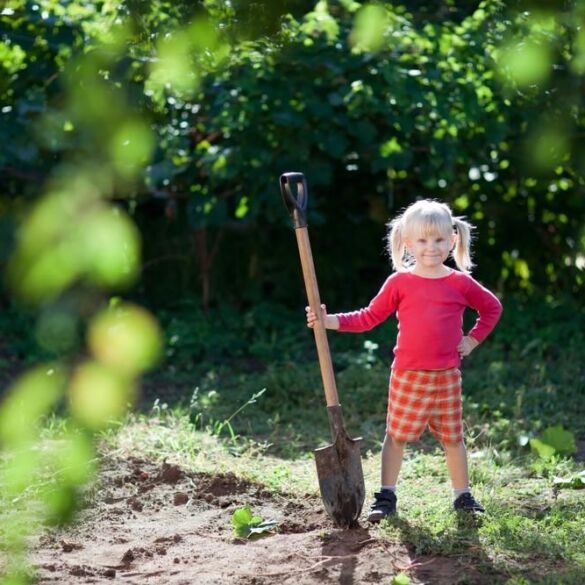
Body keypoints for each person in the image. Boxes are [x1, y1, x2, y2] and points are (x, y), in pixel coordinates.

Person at [306, 199, 502, 522]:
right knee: (396, 437)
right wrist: (329, 322)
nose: (431, 247)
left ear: (452, 239)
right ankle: (386, 495)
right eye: (422, 241)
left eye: (439, 239)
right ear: (408, 243)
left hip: (446, 377)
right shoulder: (399, 283)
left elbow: (492, 307)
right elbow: (368, 317)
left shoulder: (459, 283)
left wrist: (472, 339)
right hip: (408, 376)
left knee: (454, 439)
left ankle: (462, 495)